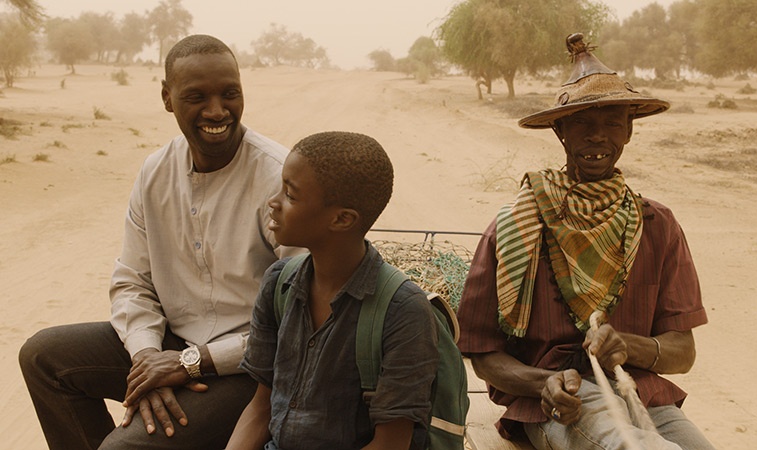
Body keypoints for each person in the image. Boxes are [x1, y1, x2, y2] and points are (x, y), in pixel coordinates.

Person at [19, 34, 299, 449]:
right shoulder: (155, 172)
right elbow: (133, 281)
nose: (217, 110)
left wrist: (188, 364)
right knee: (44, 357)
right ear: (167, 98)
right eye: (197, 97)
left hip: (248, 368)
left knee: (122, 447)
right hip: (170, 344)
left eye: (230, 93)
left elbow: (299, 317)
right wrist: (147, 359)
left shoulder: (278, 177)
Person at [456, 33, 716, 450]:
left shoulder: (657, 224)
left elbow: (682, 352)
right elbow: (484, 354)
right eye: (582, 123)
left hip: (642, 394)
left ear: (629, 130)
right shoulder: (517, 224)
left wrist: (628, 346)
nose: (598, 136)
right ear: (560, 131)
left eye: (612, 122)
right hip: (563, 404)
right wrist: (544, 382)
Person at [225, 131, 439, 450]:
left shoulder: (403, 311)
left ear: (342, 219)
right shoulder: (279, 283)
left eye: (290, 195)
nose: (273, 202)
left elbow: (391, 443)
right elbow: (261, 408)